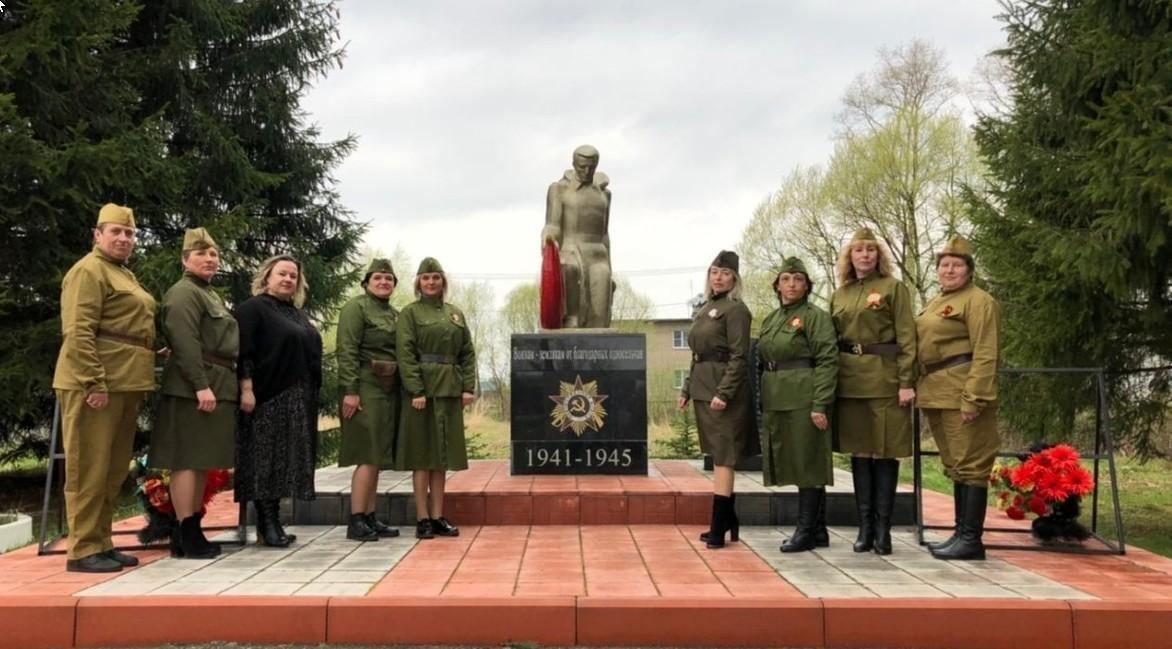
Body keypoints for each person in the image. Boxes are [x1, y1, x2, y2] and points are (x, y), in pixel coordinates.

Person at [52, 203, 156, 572]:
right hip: (97, 383)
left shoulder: (122, 274)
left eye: (129, 233)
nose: (124, 238)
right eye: (116, 232)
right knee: (88, 468)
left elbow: (125, 329)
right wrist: (93, 381)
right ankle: (82, 549)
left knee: (111, 470)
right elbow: (78, 332)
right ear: (97, 235)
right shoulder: (88, 271)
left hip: (125, 382)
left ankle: (101, 541)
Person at [830, 228, 917, 555]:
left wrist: (907, 381)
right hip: (850, 381)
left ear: (878, 256)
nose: (864, 255)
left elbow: (908, 337)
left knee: (884, 450)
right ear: (849, 258)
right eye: (858, 251)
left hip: (885, 379)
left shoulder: (894, 288)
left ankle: (884, 530)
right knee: (860, 452)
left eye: (870, 250)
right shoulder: (840, 294)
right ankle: (864, 528)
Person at [153, 228, 237, 559]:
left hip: (214, 381)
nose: (209, 259)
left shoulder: (207, 294)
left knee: (200, 461)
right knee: (186, 461)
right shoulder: (184, 293)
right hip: (194, 388)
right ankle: (185, 529)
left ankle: (191, 530)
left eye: (214, 254)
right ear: (185, 259)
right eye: (201, 253)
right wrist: (200, 384)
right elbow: (185, 342)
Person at [916, 237, 1000, 561]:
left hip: (962, 393)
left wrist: (974, 397)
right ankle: (959, 533)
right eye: (944, 264)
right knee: (956, 466)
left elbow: (986, 351)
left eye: (957, 264)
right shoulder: (937, 301)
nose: (949, 270)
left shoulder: (979, 301)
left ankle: (971, 540)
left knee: (972, 465)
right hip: (937, 393)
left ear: (969, 270)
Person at [234, 254, 322, 547]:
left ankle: (274, 521)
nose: (287, 279)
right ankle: (266, 521)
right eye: (282, 274)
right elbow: (244, 351)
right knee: (265, 459)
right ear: (267, 276)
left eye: (293, 276)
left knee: (286, 461)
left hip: (298, 397)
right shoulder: (253, 308)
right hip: (267, 395)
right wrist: (246, 388)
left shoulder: (296, 313)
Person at [758, 257, 838, 553]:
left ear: (807, 286)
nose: (791, 285)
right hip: (777, 396)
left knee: (808, 461)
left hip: (804, 396)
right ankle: (818, 531)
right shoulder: (772, 318)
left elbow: (828, 360)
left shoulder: (815, 316)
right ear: (777, 285)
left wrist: (820, 403)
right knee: (794, 459)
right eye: (786, 279)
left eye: (798, 279)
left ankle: (805, 531)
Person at [395, 257, 476, 539]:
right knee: (422, 455)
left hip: (450, 391)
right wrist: (415, 389)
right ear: (418, 282)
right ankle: (422, 518)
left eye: (436, 277)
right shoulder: (410, 313)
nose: (431, 282)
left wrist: (468, 387)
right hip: (424, 393)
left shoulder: (455, 313)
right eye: (426, 278)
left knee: (441, 457)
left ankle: (438, 515)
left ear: (443, 282)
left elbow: (467, 352)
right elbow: (405, 354)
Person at [678, 251, 754, 549]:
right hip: (702, 388)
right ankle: (729, 519)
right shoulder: (706, 308)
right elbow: (696, 355)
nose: (718, 277)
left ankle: (718, 524)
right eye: (714, 272)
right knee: (716, 453)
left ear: (735, 278)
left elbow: (739, 356)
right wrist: (686, 388)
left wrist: (724, 392)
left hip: (723, 392)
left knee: (724, 456)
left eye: (724, 272)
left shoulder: (736, 310)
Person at [336, 258, 402, 542]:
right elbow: (347, 348)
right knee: (366, 454)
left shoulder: (395, 314)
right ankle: (356, 519)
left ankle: (370, 516)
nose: (384, 282)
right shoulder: (356, 307)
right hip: (364, 385)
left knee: (376, 456)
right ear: (366, 282)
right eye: (378, 278)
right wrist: (351, 390)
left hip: (389, 388)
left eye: (389, 279)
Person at [541, 144, 613, 328]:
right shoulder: (559, 190)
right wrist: (549, 238)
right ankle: (570, 322)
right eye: (582, 167)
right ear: (574, 164)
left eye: (591, 167)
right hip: (571, 251)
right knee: (568, 267)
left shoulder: (604, 194)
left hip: (598, 256)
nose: (587, 171)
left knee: (600, 317)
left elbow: (605, 234)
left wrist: (610, 267)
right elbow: (552, 225)